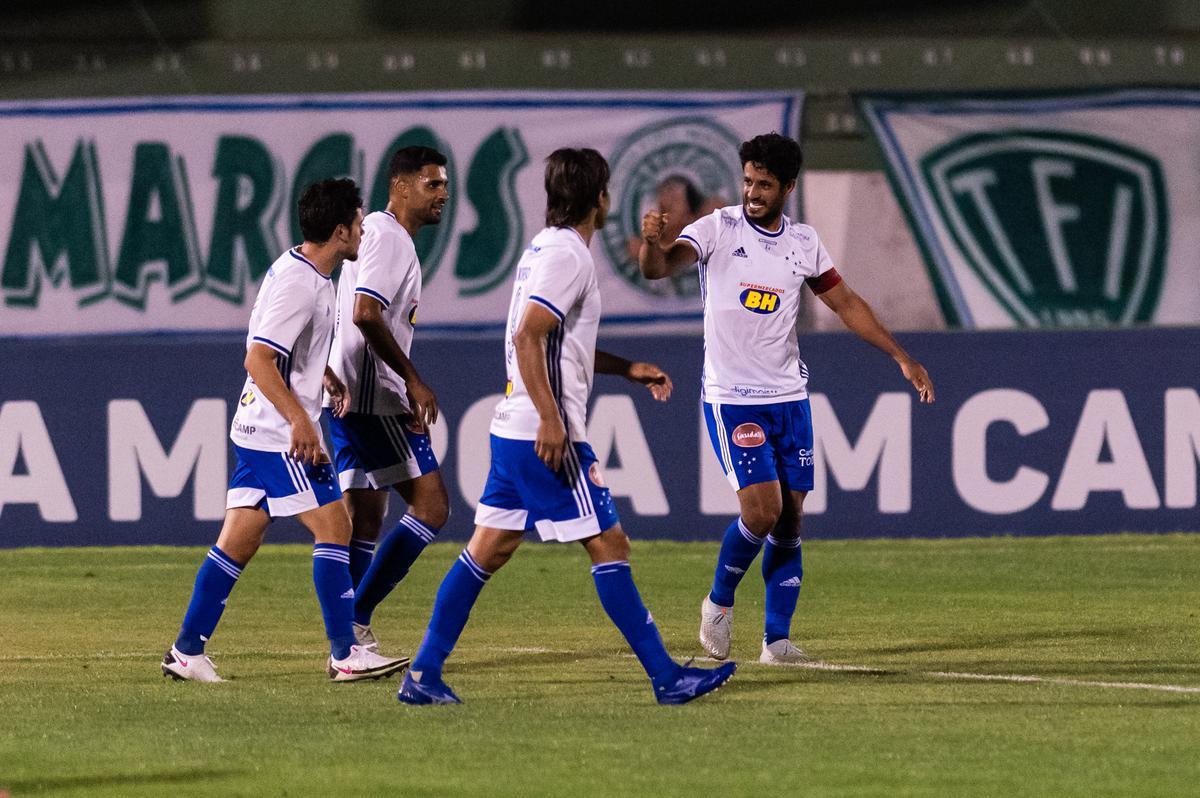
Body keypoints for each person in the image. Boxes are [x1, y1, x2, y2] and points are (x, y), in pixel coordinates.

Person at [397, 148, 737, 705]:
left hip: (515, 428)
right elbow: (529, 336)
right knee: (609, 543)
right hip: (543, 430)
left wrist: (626, 369)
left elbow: (555, 341)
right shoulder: (568, 257)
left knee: (488, 549)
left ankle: (424, 675)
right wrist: (554, 421)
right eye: (606, 191)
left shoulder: (545, 250)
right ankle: (667, 677)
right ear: (597, 198)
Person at [638, 132, 935, 665]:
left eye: (764, 184)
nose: (752, 192)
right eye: (748, 180)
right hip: (733, 398)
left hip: (789, 396)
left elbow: (845, 302)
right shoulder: (718, 229)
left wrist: (899, 356)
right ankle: (719, 601)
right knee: (762, 509)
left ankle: (776, 641)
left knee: (792, 518)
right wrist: (653, 245)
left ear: (788, 188)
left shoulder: (802, 243)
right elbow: (661, 268)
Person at [161, 178, 409, 683]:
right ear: (341, 231)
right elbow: (257, 356)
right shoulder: (301, 283)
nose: (365, 231)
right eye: (359, 224)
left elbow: (282, 349)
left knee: (238, 541)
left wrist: (324, 375)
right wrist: (300, 418)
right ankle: (346, 653)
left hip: (256, 425)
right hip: (276, 432)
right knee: (335, 526)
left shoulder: (302, 269)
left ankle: (186, 652)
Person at [324, 147, 450, 653]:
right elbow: (366, 313)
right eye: (431, 183)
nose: (442, 193)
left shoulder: (379, 234)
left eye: (444, 184)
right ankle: (352, 620)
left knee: (366, 517)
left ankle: (348, 633)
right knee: (433, 507)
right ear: (400, 186)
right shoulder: (389, 238)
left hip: (348, 393)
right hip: (376, 399)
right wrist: (413, 381)